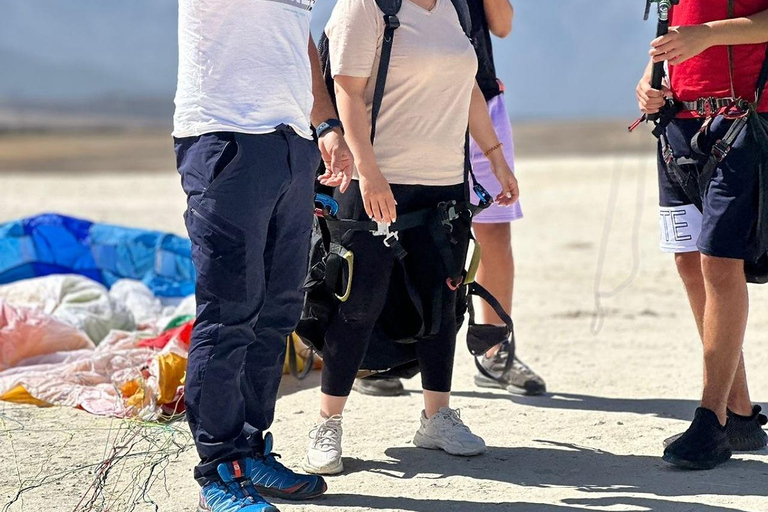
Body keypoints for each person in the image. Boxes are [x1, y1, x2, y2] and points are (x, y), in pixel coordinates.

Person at [302, 0, 520, 476]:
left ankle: (436, 416)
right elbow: (347, 91)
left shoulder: (455, 8)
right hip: (377, 180)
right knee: (358, 303)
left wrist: (496, 157)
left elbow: (467, 91)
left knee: (442, 302)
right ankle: (327, 422)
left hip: (443, 182)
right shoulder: (366, 6)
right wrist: (369, 171)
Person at [173, 0, 353, 510]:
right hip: (225, 136)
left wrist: (326, 125)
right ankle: (217, 470)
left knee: (276, 313)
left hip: (292, 142)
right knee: (229, 312)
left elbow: (297, 39)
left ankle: (250, 447)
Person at [352, 0, 547, 399]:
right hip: (407, 105)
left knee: (494, 230)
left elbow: (503, 25)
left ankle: (494, 351)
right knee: (394, 227)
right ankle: (374, 355)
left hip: (480, 97)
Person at [636, 0, 768, 470]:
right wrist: (651, 83)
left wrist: (707, 34)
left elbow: (707, 32)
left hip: (743, 119)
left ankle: (709, 420)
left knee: (719, 261)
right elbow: (677, 35)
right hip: (678, 123)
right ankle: (741, 416)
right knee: (689, 262)